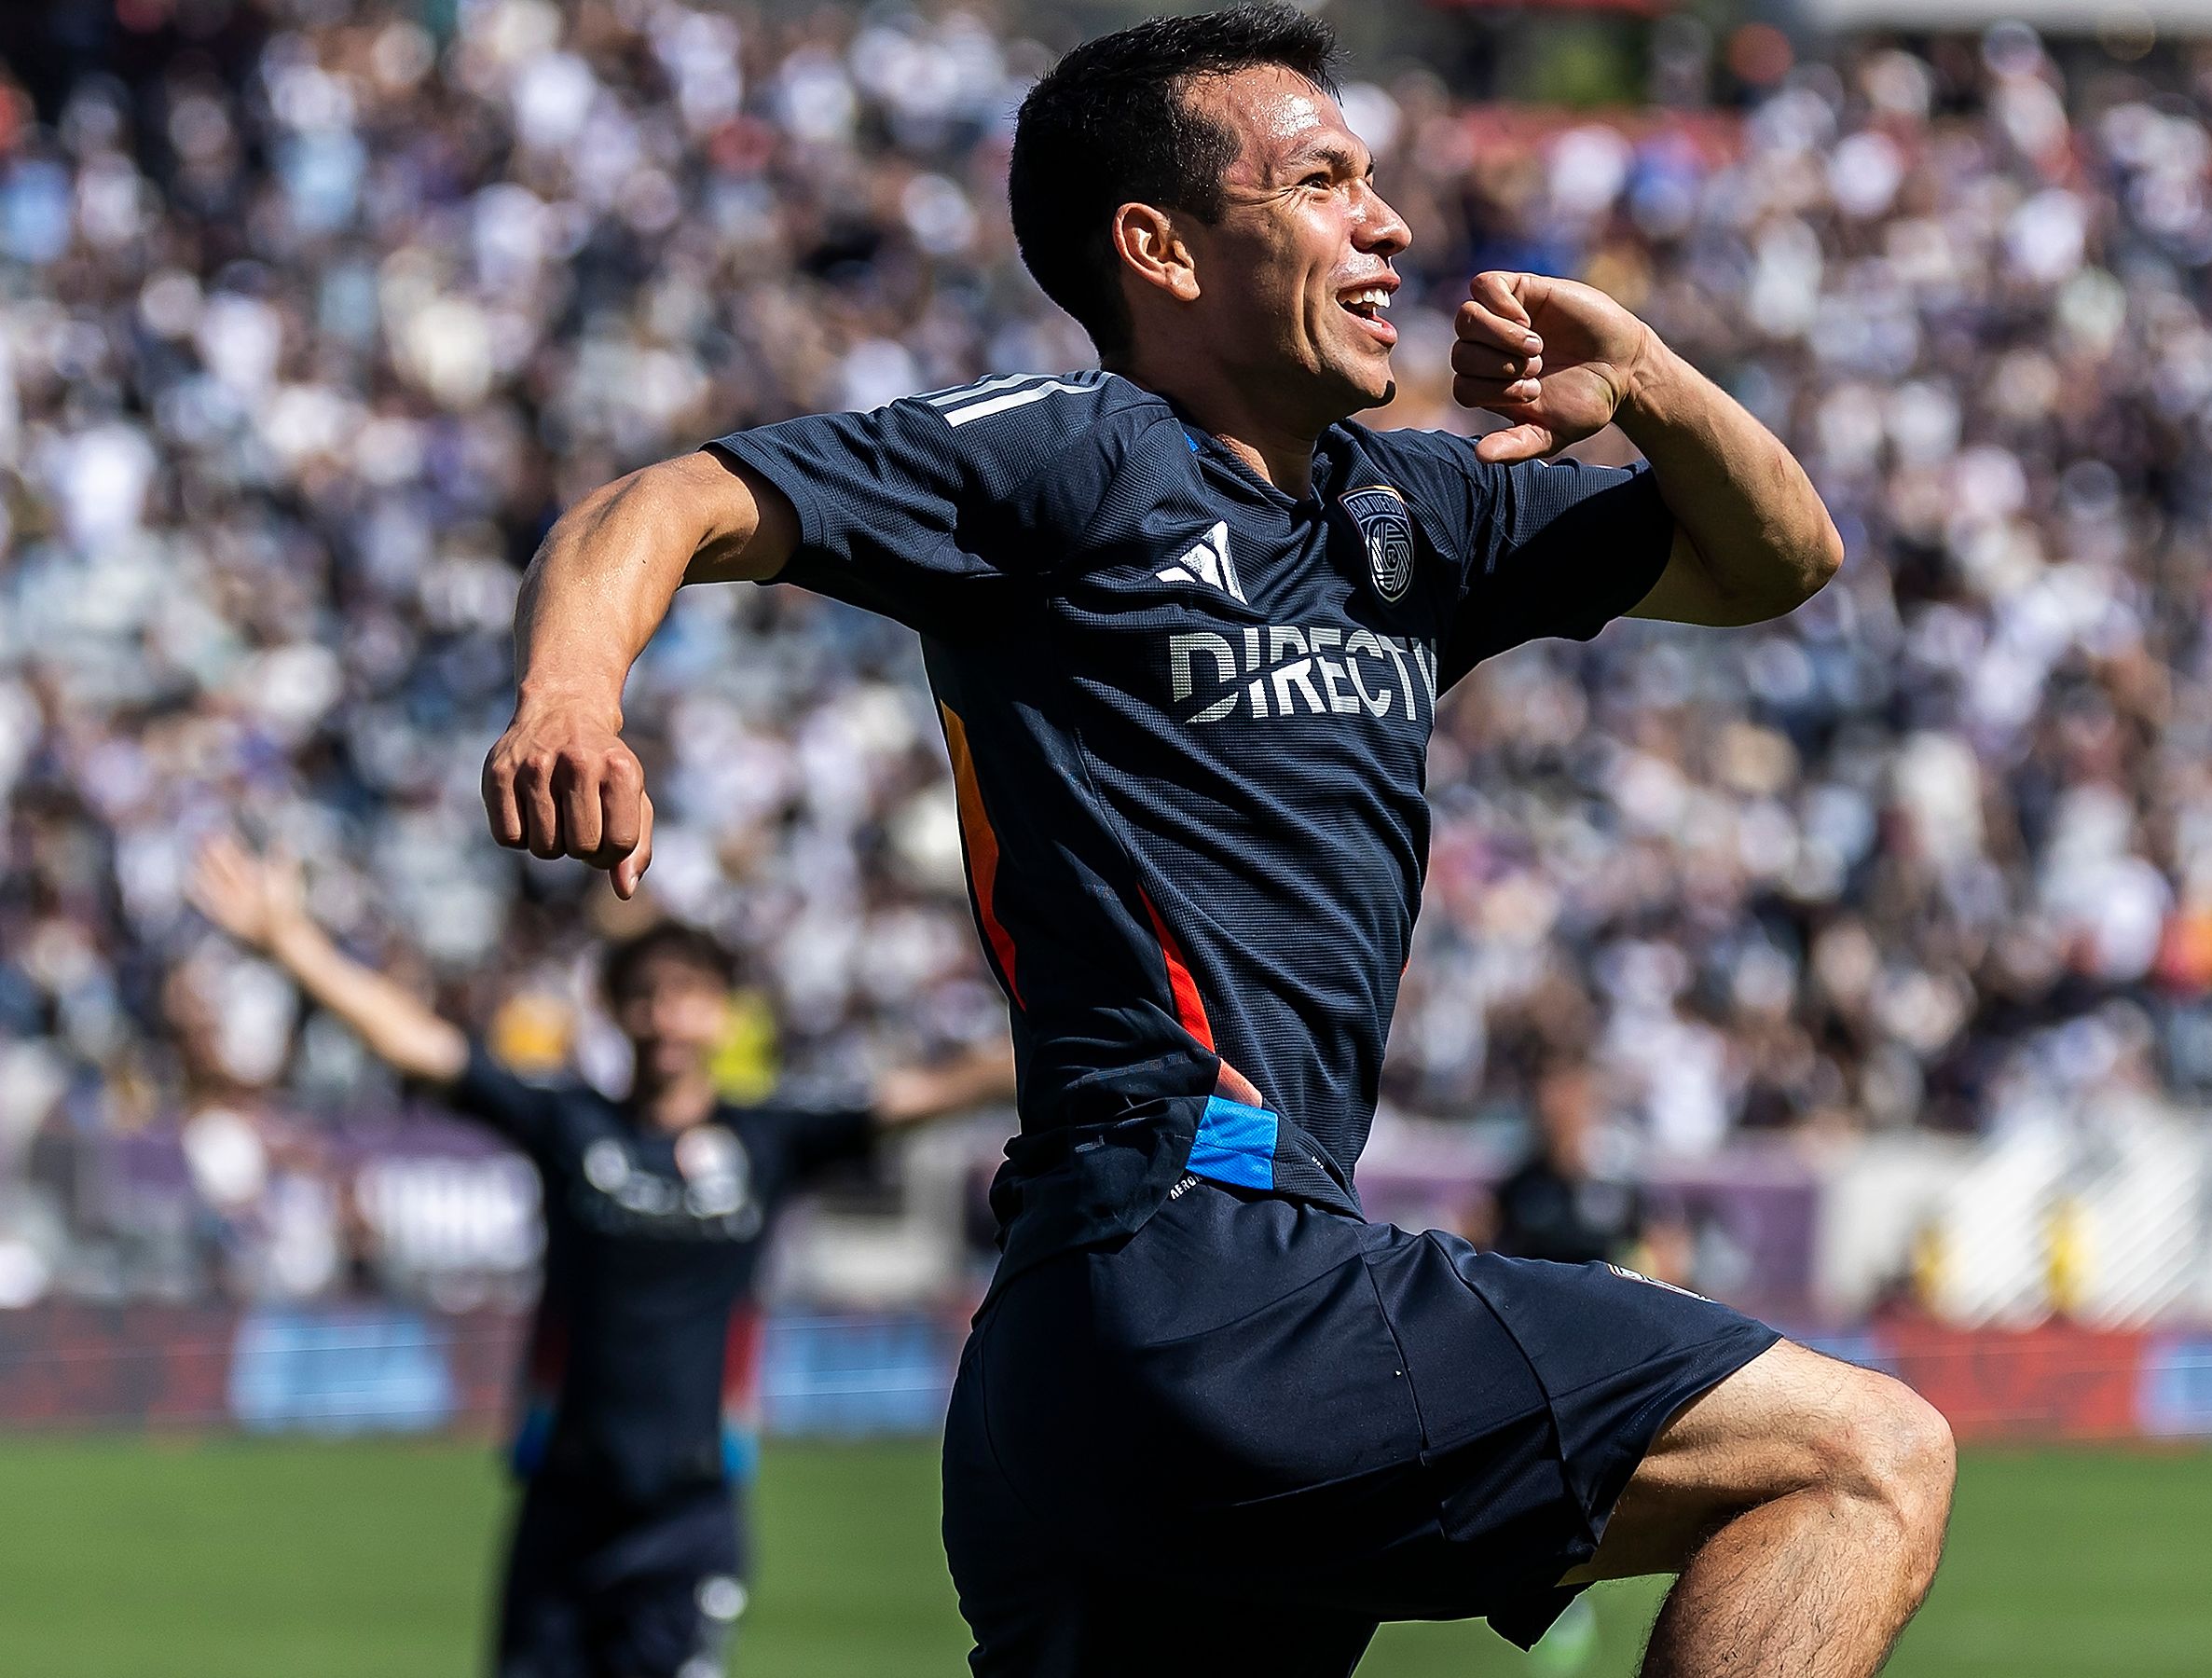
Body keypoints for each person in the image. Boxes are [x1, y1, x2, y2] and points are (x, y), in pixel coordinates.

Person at [474, 7, 1955, 1673]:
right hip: (1197, 1265)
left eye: (1376, 178)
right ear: (1161, 250)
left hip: (1114, 1349)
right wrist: (570, 698)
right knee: (1864, 1457)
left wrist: (1654, 380)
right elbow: (665, 500)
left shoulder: (1414, 516)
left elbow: (1780, 558)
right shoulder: (1071, 458)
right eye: (1326, 181)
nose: (1388, 223)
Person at [185, 835, 1015, 1678]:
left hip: (692, 1512)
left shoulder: (769, 1141)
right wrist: (291, 943)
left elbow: (929, 1093)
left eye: (688, 997)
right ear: (617, 1012)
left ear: (725, 1014)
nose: (666, 1017)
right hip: (564, 1506)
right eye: (645, 997)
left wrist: (1098, 1026)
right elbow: (419, 1048)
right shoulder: (572, 1127)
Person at [1487, 1058, 1685, 1280]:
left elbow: (1660, 1251)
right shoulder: (1522, 1186)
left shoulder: (1617, 1180)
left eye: (1570, 1103)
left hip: (1606, 1302)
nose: (1558, 1112)